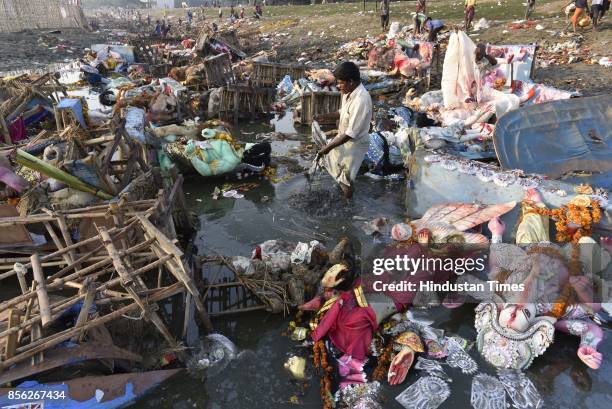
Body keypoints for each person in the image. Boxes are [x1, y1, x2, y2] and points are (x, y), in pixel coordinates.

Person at [314, 62, 372, 199]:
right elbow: (343, 112)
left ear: (351, 81)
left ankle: (348, 206)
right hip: (344, 138)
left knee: (347, 178)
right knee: (337, 166)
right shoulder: (348, 92)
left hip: (355, 143)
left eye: (340, 83)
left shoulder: (361, 100)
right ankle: (342, 193)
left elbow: (350, 134)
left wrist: (327, 148)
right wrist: (324, 116)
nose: (338, 86)